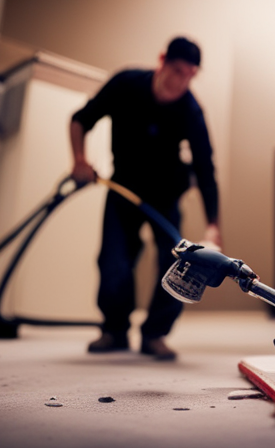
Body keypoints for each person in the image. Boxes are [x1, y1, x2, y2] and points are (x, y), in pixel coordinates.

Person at [70, 36, 221, 361]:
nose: (181, 81)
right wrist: (80, 161)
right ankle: (114, 329)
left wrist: (212, 226)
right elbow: (81, 119)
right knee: (113, 262)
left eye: (190, 75)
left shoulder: (191, 110)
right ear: (162, 60)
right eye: (177, 70)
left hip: (165, 198)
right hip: (123, 189)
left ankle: (155, 333)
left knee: (176, 264)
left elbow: (205, 168)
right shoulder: (126, 84)